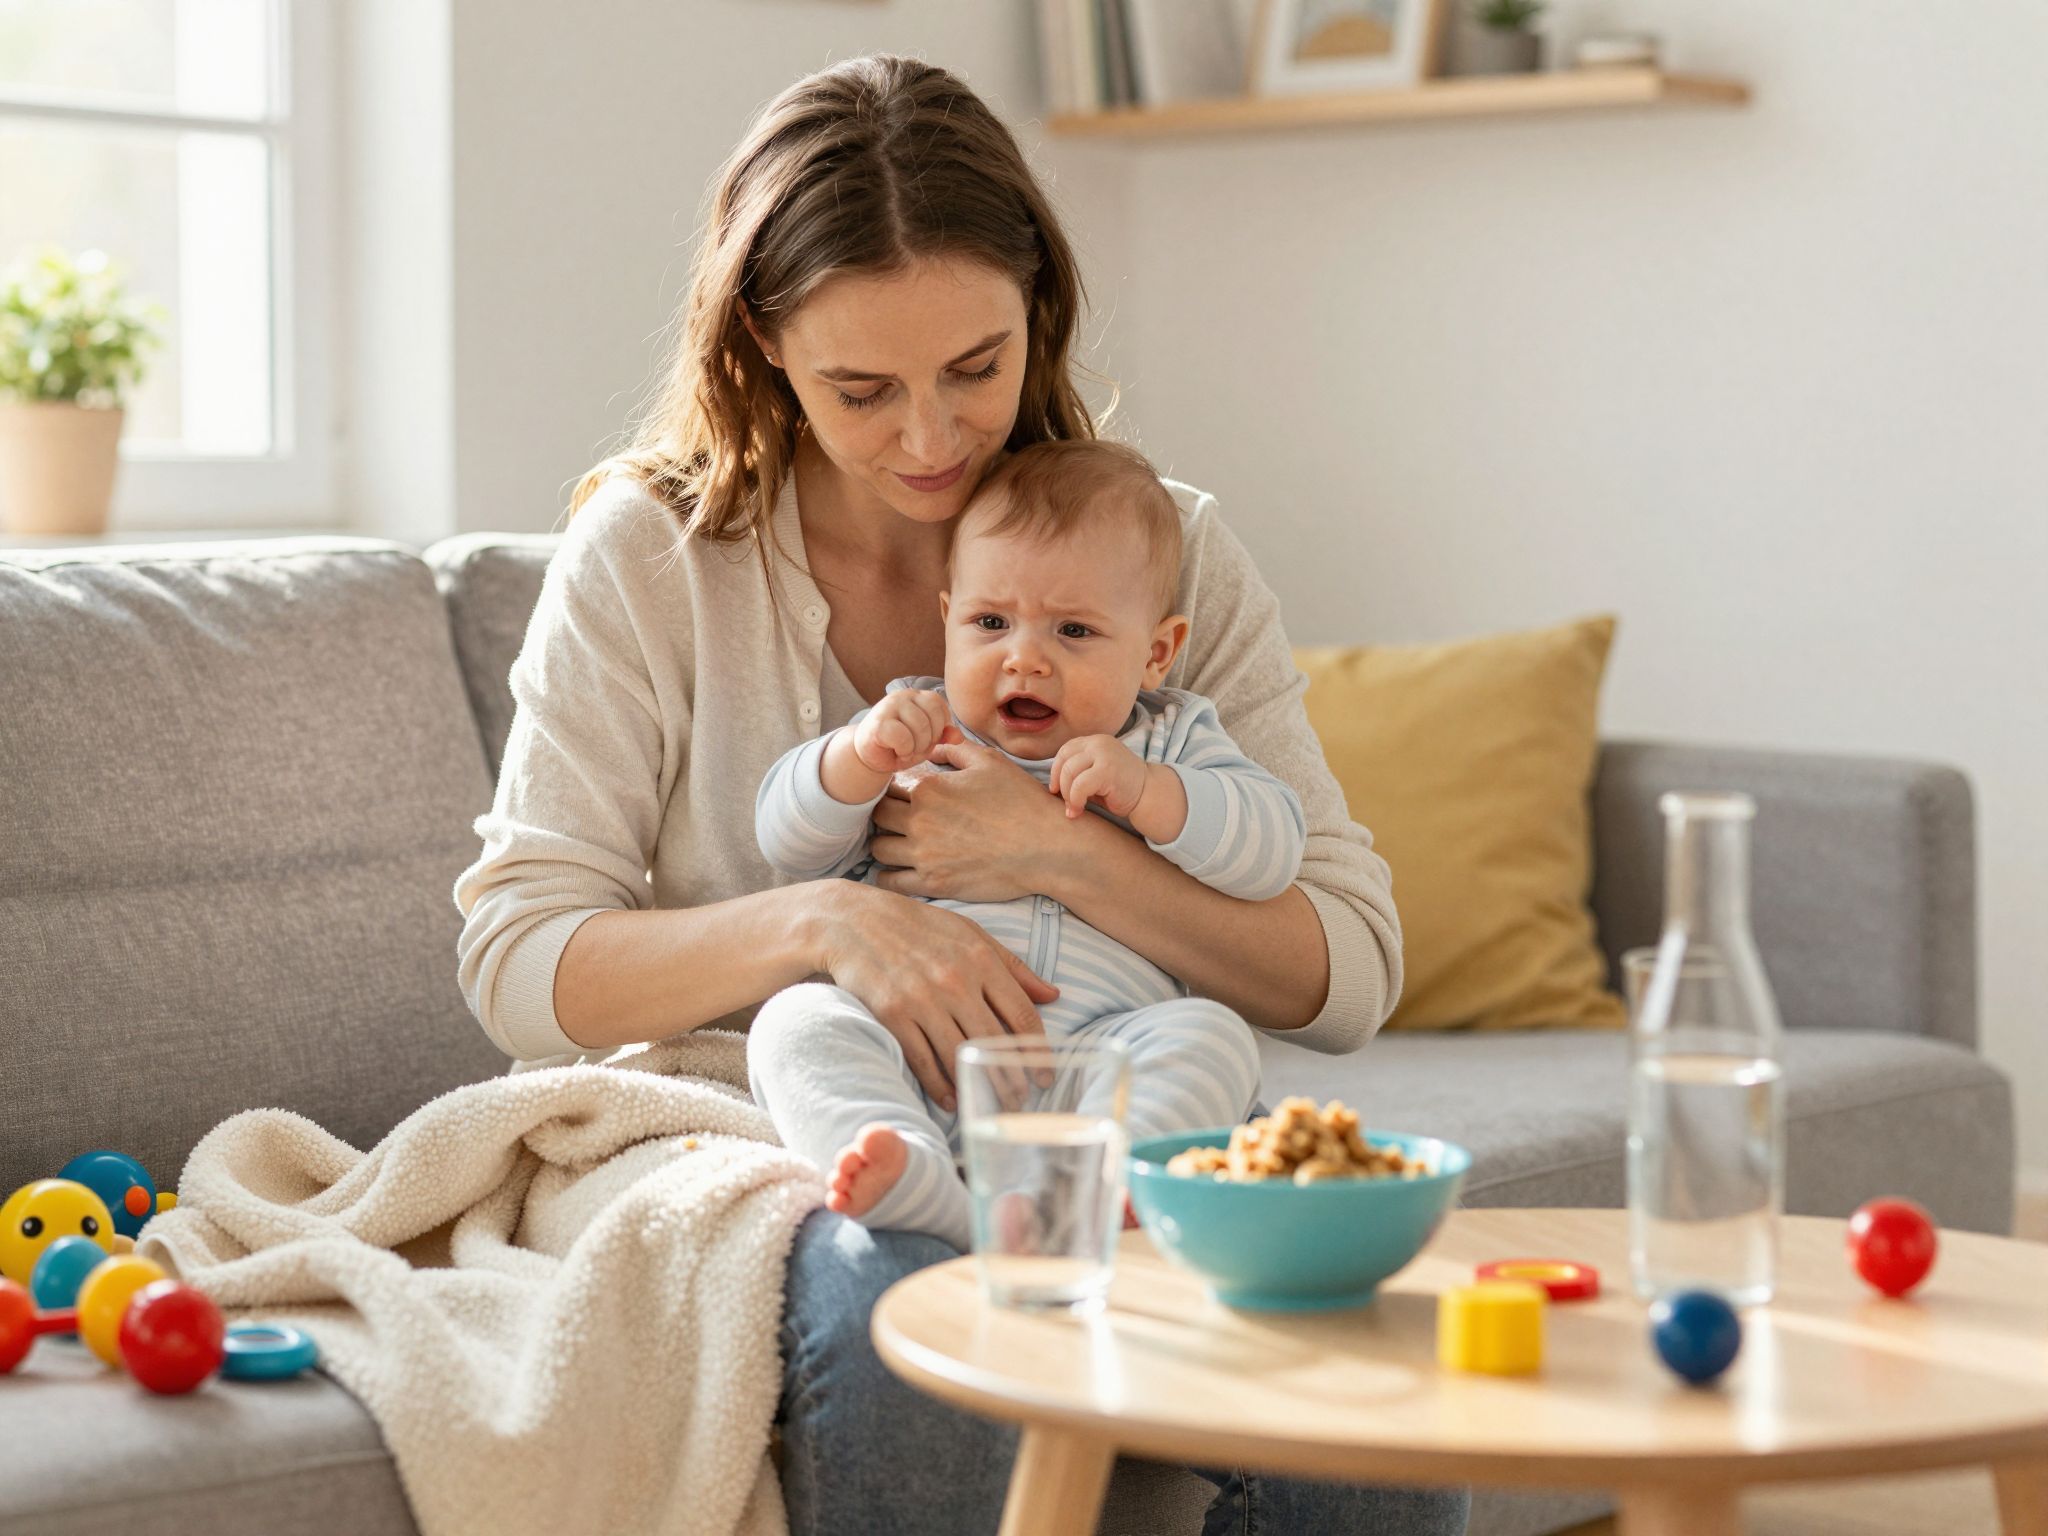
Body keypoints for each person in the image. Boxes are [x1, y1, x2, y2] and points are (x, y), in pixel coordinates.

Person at [454, 52, 1468, 1536]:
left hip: (1101, 1087)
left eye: (975, 371)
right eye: (861, 389)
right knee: (907, 1310)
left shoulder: (1157, 554)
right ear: (762, 347)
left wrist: (1065, 855)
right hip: (780, 1116)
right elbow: (515, 964)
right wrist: (826, 927)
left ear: (1039, 312)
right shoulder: (651, 559)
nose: (929, 441)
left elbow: (1352, 972)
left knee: (1344, 1335)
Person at [750, 439, 1299, 1249]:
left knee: (1212, 1038)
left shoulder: (1169, 742)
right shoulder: (918, 728)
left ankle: (1083, 1193)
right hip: (923, 1062)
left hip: (1104, 1064)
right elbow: (786, 843)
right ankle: (915, 1176)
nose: (1025, 658)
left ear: (1155, 654)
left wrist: (1152, 797)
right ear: (948, 621)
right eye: (990, 622)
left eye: (1073, 630)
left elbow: (1273, 851)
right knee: (796, 1022)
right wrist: (854, 760)